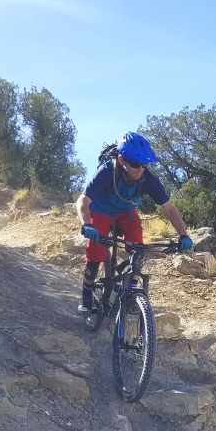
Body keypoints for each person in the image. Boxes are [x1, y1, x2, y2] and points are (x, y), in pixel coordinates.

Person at [75, 132, 192, 313]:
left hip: (125, 211)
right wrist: (87, 224)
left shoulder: (148, 179)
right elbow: (83, 201)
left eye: (144, 164)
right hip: (100, 210)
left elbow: (169, 208)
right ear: (122, 160)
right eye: (136, 164)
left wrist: (184, 235)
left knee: (138, 245)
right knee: (96, 250)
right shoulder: (107, 171)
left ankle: (132, 287)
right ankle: (87, 293)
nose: (141, 169)